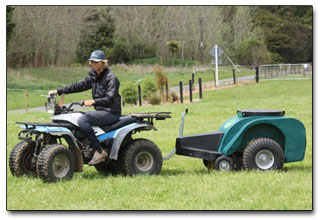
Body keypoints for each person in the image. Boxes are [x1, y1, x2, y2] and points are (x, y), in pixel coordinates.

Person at [48, 50, 121, 165]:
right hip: (100, 111)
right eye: (91, 62)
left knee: (83, 119)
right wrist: (59, 91)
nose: (93, 64)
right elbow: (78, 86)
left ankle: (99, 150)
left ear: (103, 62)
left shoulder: (111, 78)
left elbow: (110, 99)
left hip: (111, 112)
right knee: (75, 118)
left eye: (95, 62)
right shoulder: (93, 77)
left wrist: (93, 101)